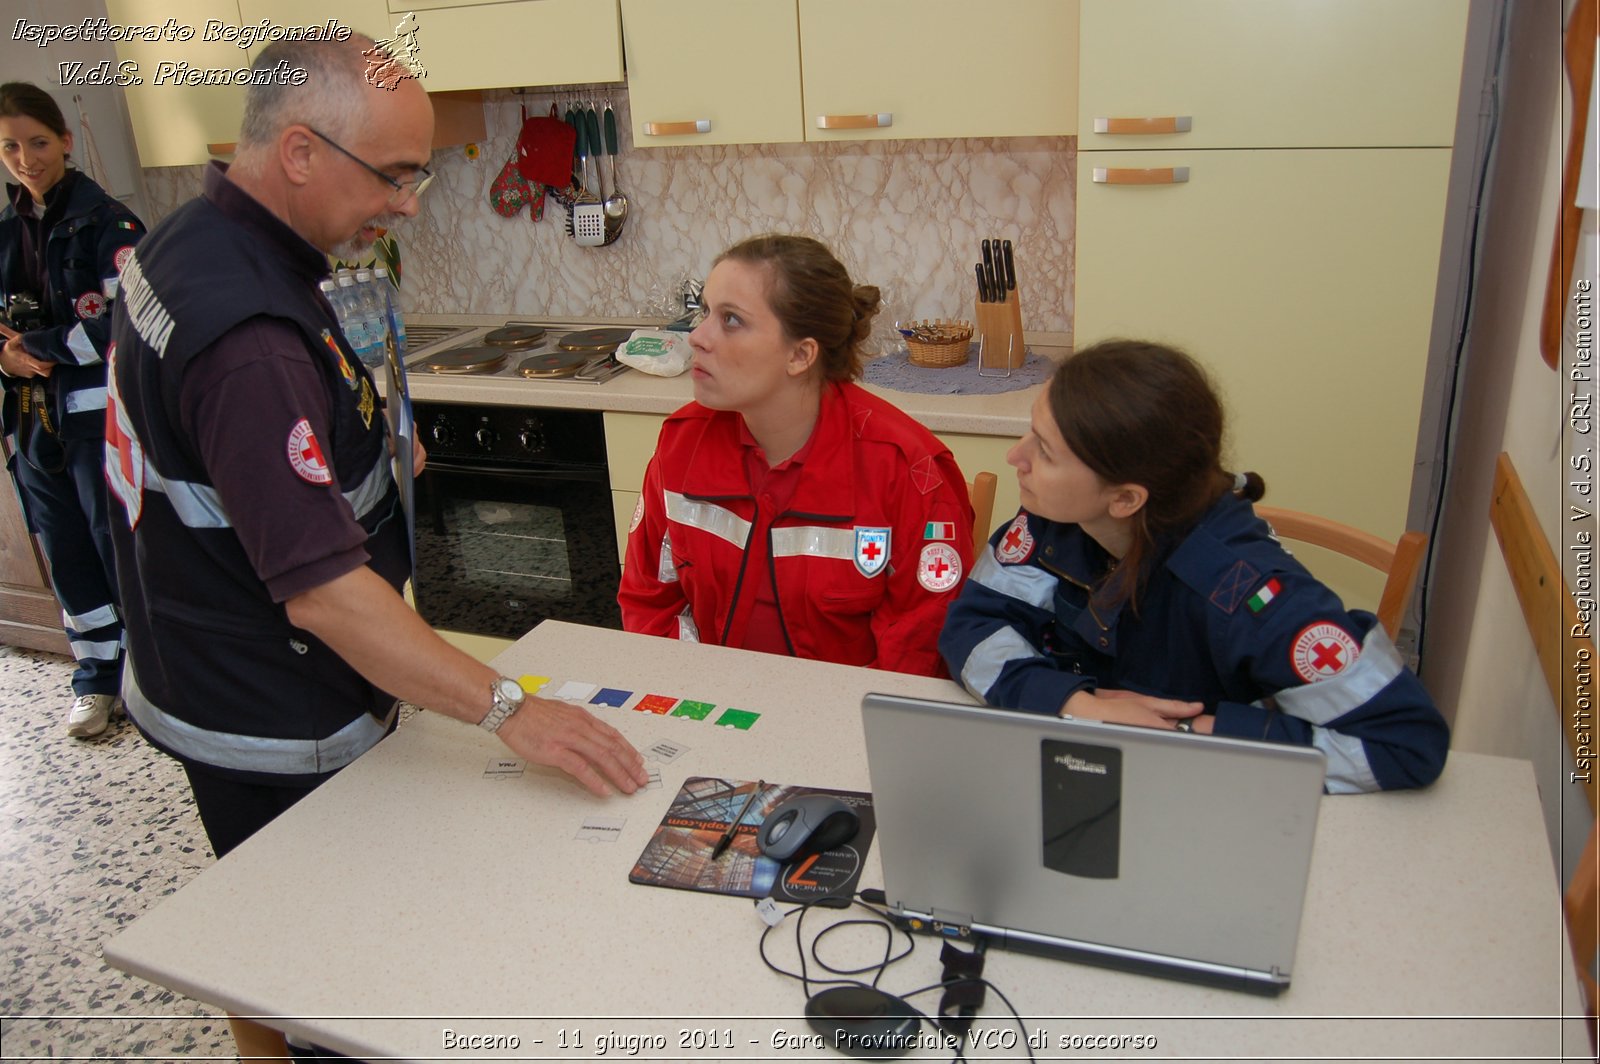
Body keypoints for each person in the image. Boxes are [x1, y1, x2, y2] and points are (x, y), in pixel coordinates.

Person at [105, 35, 648, 868]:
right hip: (277, 707)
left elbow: (225, 452)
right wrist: (512, 709)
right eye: (395, 174)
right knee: (308, 961)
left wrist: (364, 449)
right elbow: (325, 596)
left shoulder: (189, 238)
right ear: (299, 152)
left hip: (193, 652)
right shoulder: (249, 340)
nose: (409, 205)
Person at [939, 339, 1448, 792]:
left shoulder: (1246, 592)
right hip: (1086, 779)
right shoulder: (1056, 522)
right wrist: (1077, 704)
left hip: (1205, 799)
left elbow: (1406, 742)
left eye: (1044, 452)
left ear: (1125, 499)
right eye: (1031, 432)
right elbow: (973, 627)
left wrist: (1189, 732)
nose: (1016, 458)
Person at [619, 234, 974, 677]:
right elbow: (648, 603)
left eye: (730, 320)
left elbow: (917, 659)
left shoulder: (908, 472)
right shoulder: (682, 444)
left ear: (800, 354)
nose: (697, 336)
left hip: (845, 727)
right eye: (704, 311)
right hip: (709, 706)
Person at [0, 82, 144, 738]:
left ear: (64, 140)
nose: (26, 158)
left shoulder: (109, 223)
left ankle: (147, 677)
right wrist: (9, 359)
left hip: (99, 422)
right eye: (9, 147)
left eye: (37, 142)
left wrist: (38, 346)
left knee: (120, 549)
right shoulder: (5, 235)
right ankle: (94, 679)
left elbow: (128, 324)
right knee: (65, 554)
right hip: (32, 421)